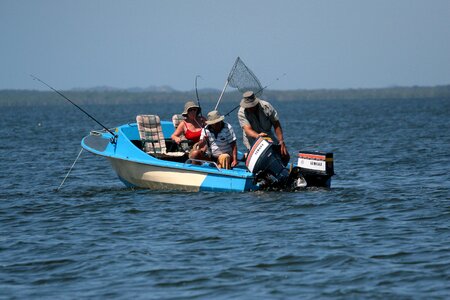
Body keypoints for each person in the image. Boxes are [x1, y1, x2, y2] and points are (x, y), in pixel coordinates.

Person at [238, 90, 290, 164]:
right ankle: (247, 156)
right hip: (252, 138)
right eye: (248, 106)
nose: (250, 108)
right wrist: (258, 136)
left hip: (268, 134)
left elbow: (276, 124)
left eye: (251, 105)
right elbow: (247, 130)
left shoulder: (266, 106)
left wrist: (281, 141)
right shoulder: (241, 112)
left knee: (285, 155)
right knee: (261, 158)